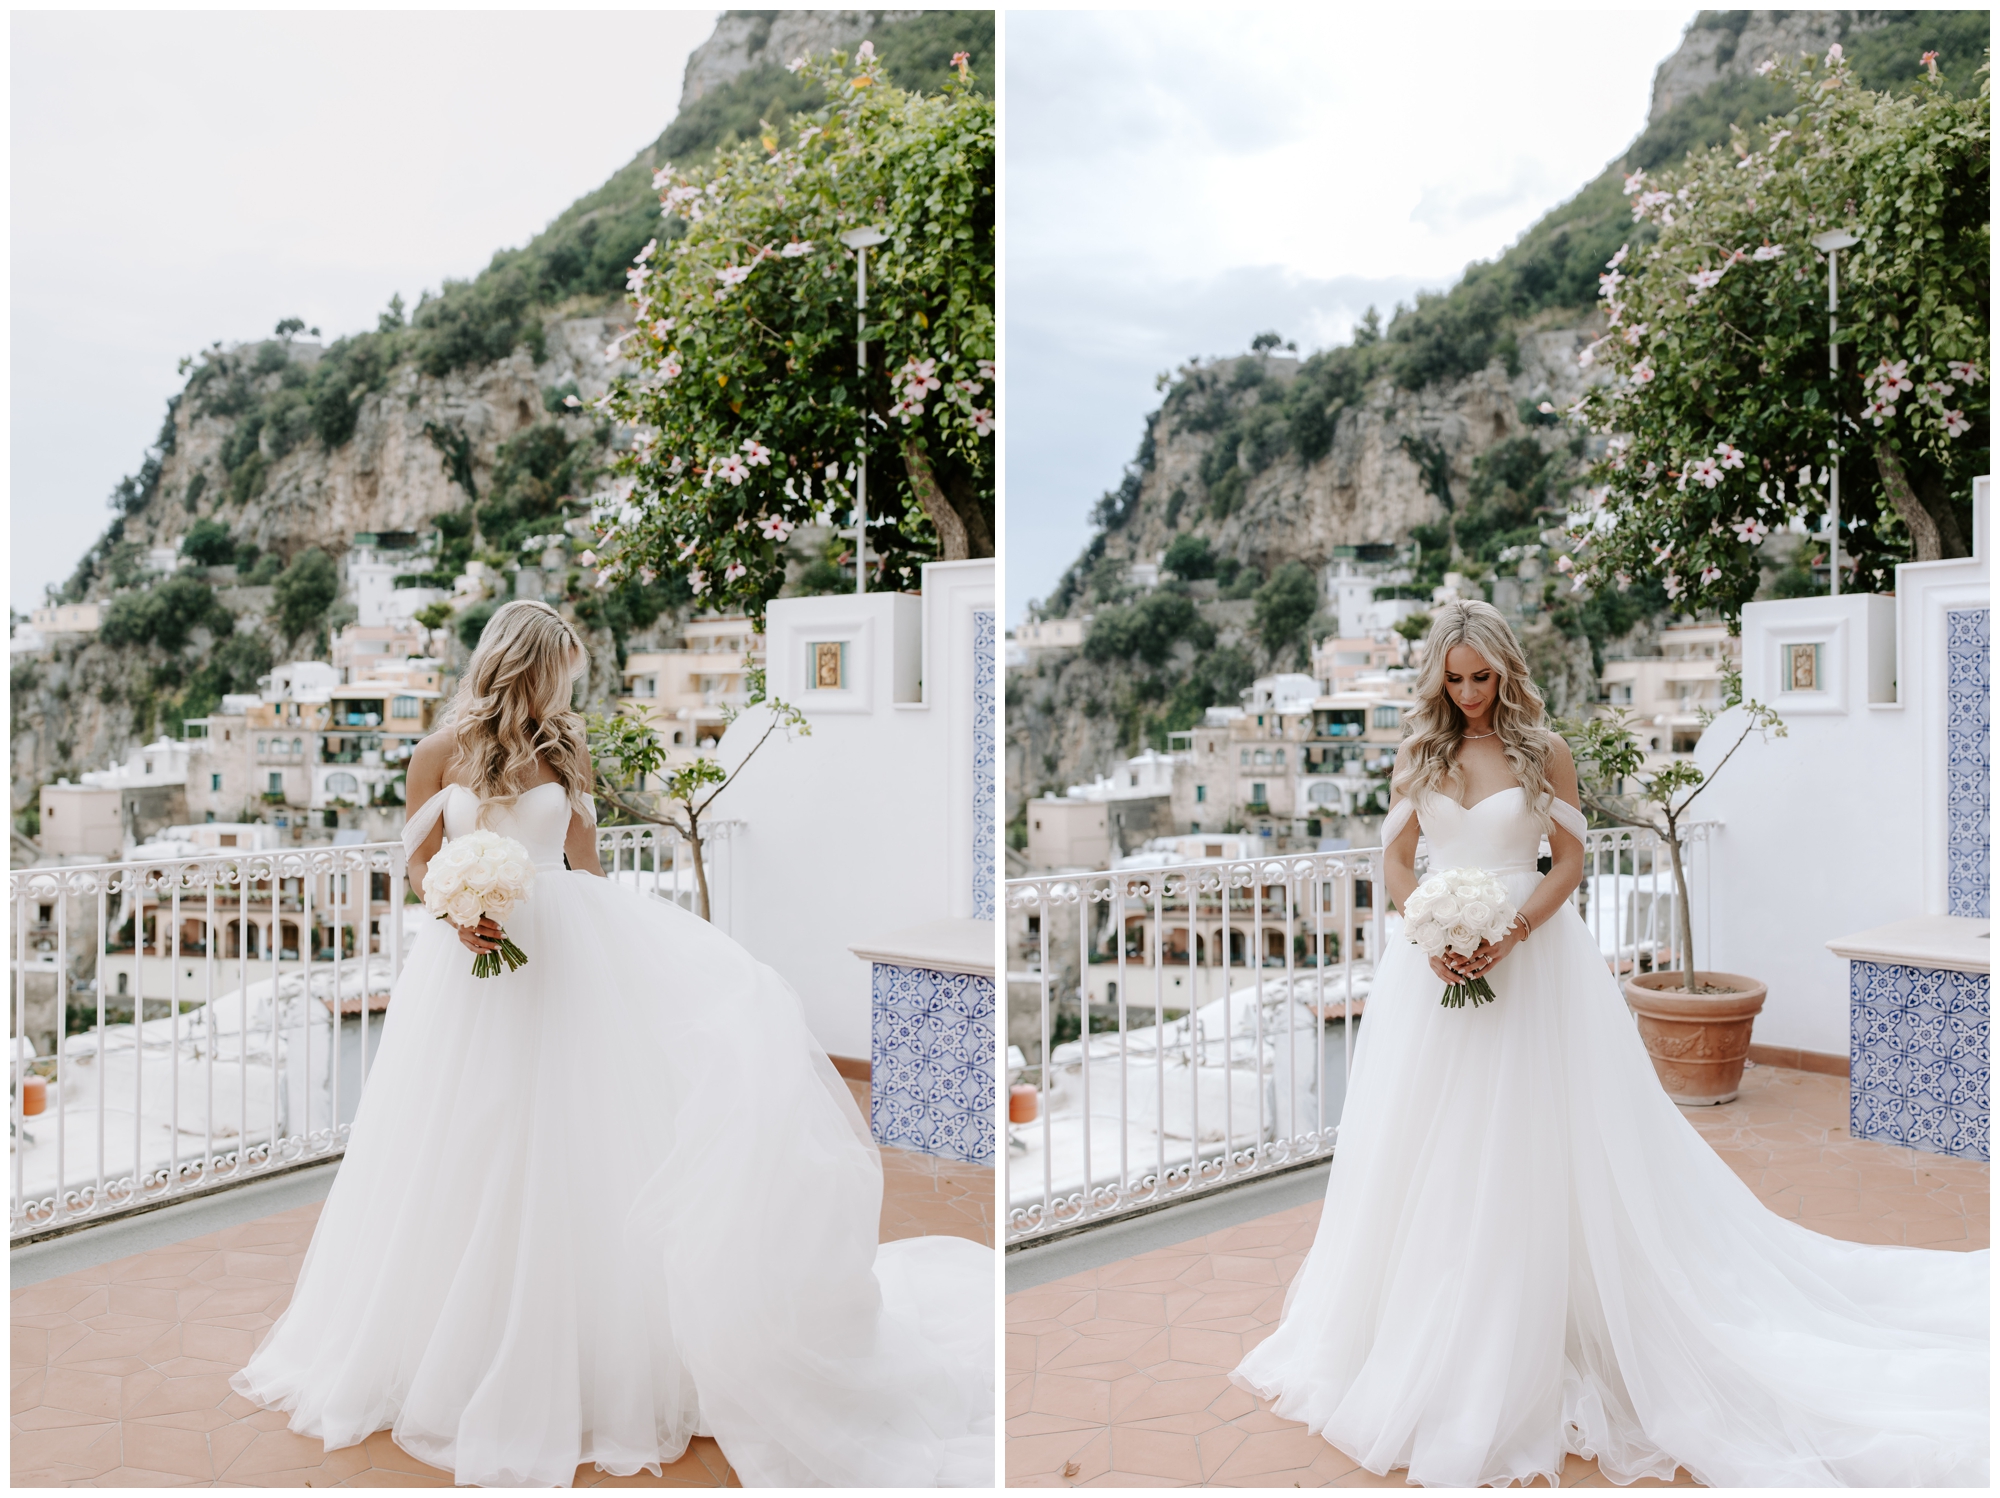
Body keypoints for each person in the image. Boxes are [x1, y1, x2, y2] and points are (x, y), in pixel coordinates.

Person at [232, 601, 992, 1487]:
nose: (564, 686)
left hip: (566, 962)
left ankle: (604, 1355)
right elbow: (416, 859)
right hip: (468, 977)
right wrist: (455, 907)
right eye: (557, 669)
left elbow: (586, 867)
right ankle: (456, 1351)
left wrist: (650, 956)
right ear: (523, 663)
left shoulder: (565, 748)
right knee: (468, 1148)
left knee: (578, 1146)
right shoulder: (437, 753)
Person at [1233, 600, 1987, 1488]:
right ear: (1438, 678)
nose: (1472, 695)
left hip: (1535, 961)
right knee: (1432, 1150)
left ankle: (1546, 1320)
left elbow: (1570, 861)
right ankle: (1438, 1326)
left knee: (1539, 1139)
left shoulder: (1543, 750)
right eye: (1457, 679)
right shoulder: (1418, 755)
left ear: (1507, 670)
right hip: (1429, 974)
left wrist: (1508, 932)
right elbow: (1396, 864)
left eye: (1484, 677)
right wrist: (1428, 931)